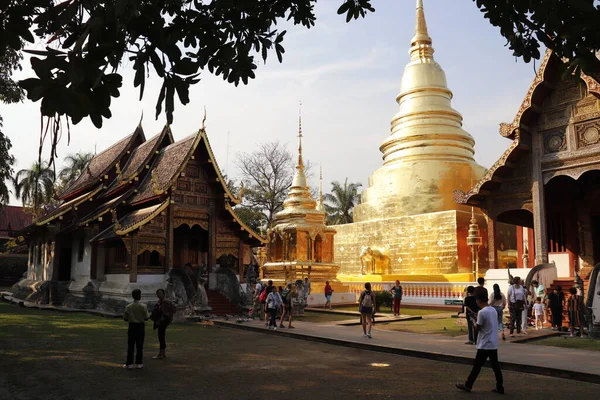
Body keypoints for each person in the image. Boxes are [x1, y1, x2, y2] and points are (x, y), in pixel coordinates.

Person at [456, 292, 504, 394]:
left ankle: (468, 385)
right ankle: (500, 386)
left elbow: (478, 327)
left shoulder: (482, 312)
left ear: (478, 301)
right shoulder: (493, 310)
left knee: (477, 366)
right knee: (496, 367)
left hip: (484, 344)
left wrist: (473, 319)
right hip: (493, 343)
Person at [123, 289, 149, 369]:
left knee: (130, 345)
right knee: (139, 345)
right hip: (140, 326)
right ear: (139, 296)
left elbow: (125, 318)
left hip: (132, 326)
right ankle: (139, 363)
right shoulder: (143, 306)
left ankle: (129, 363)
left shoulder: (128, 306)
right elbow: (147, 317)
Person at [150, 288, 175, 360]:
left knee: (161, 337)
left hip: (163, 322)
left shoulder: (165, 302)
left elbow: (165, 314)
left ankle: (161, 353)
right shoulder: (160, 302)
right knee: (161, 336)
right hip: (162, 321)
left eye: (160, 293)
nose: (159, 294)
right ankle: (162, 353)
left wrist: (159, 321)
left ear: (163, 294)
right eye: (158, 293)